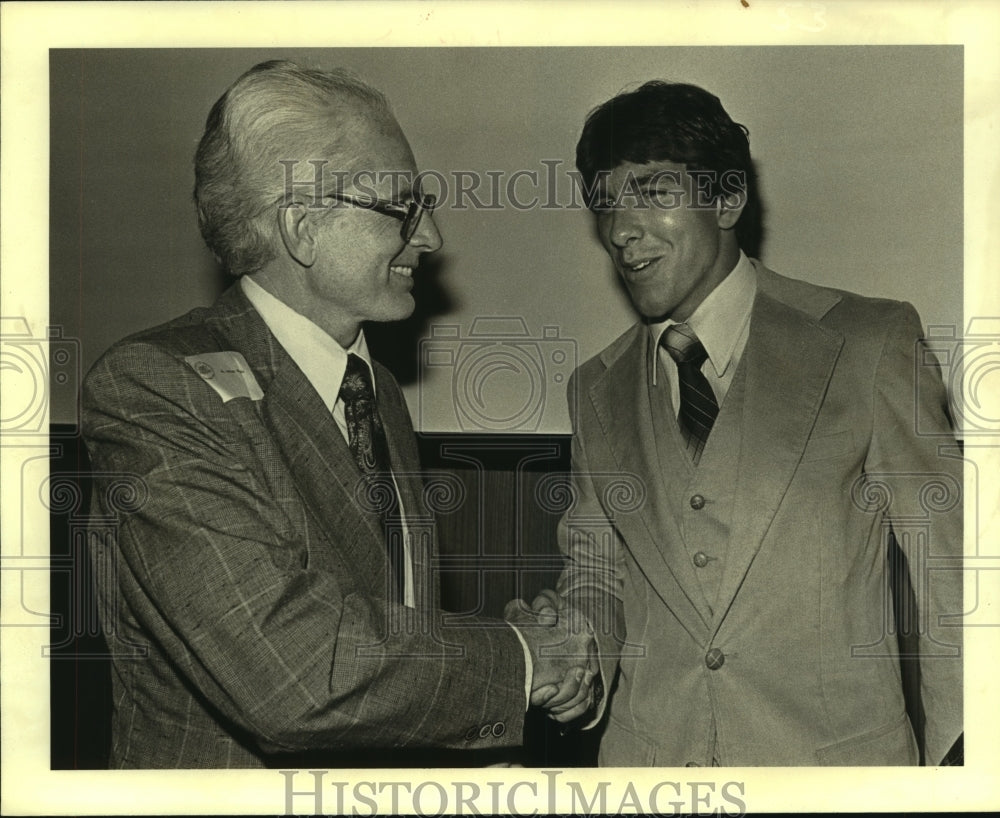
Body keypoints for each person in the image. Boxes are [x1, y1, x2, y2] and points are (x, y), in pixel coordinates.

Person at [81, 60, 592, 769]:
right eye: (401, 209)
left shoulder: (373, 388)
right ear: (303, 228)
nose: (432, 237)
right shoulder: (157, 390)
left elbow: (386, 634)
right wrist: (522, 660)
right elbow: (293, 674)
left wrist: (500, 655)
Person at [525, 81, 964, 766]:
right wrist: (575, 646)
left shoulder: (871, 343)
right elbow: (599, 569)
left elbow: (954, 576)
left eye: (653, 192)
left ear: (727, 199)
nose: (621, 230)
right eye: (606, 203)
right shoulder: (594, 389)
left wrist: (962, 777)